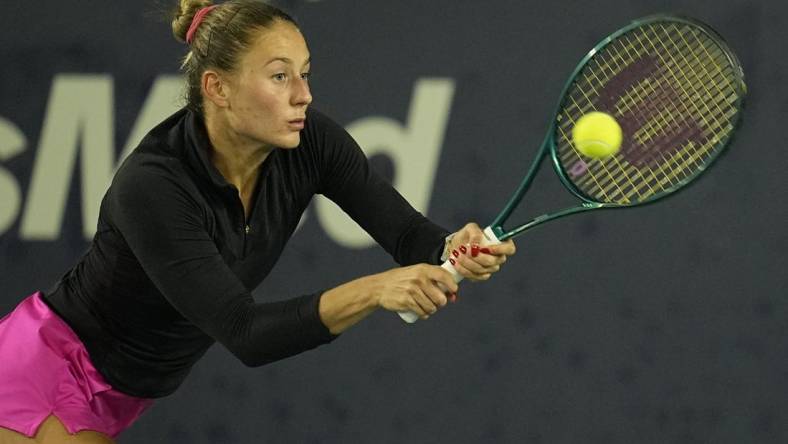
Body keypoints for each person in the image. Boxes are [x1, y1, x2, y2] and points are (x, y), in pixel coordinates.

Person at [0, 1, 516, 442]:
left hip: (122, 394)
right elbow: (248, 334)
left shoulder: (312, 142)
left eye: (305, 73)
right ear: (217, 88)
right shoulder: (153, 187)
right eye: (279, 76)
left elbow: (407, 235)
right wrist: (376, 290)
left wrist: (454, 247)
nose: (303, 94)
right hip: (45, 371)